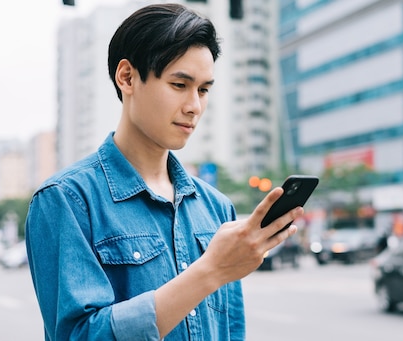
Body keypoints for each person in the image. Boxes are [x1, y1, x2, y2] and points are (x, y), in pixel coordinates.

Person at [25, 4, 302, 340]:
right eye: (179, 84)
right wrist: (209, 271)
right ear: (127, 77)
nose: (194, 106)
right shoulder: (66, 200)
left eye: (203, 90)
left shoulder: (215, 207)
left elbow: (230, 330)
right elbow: (78, 335)